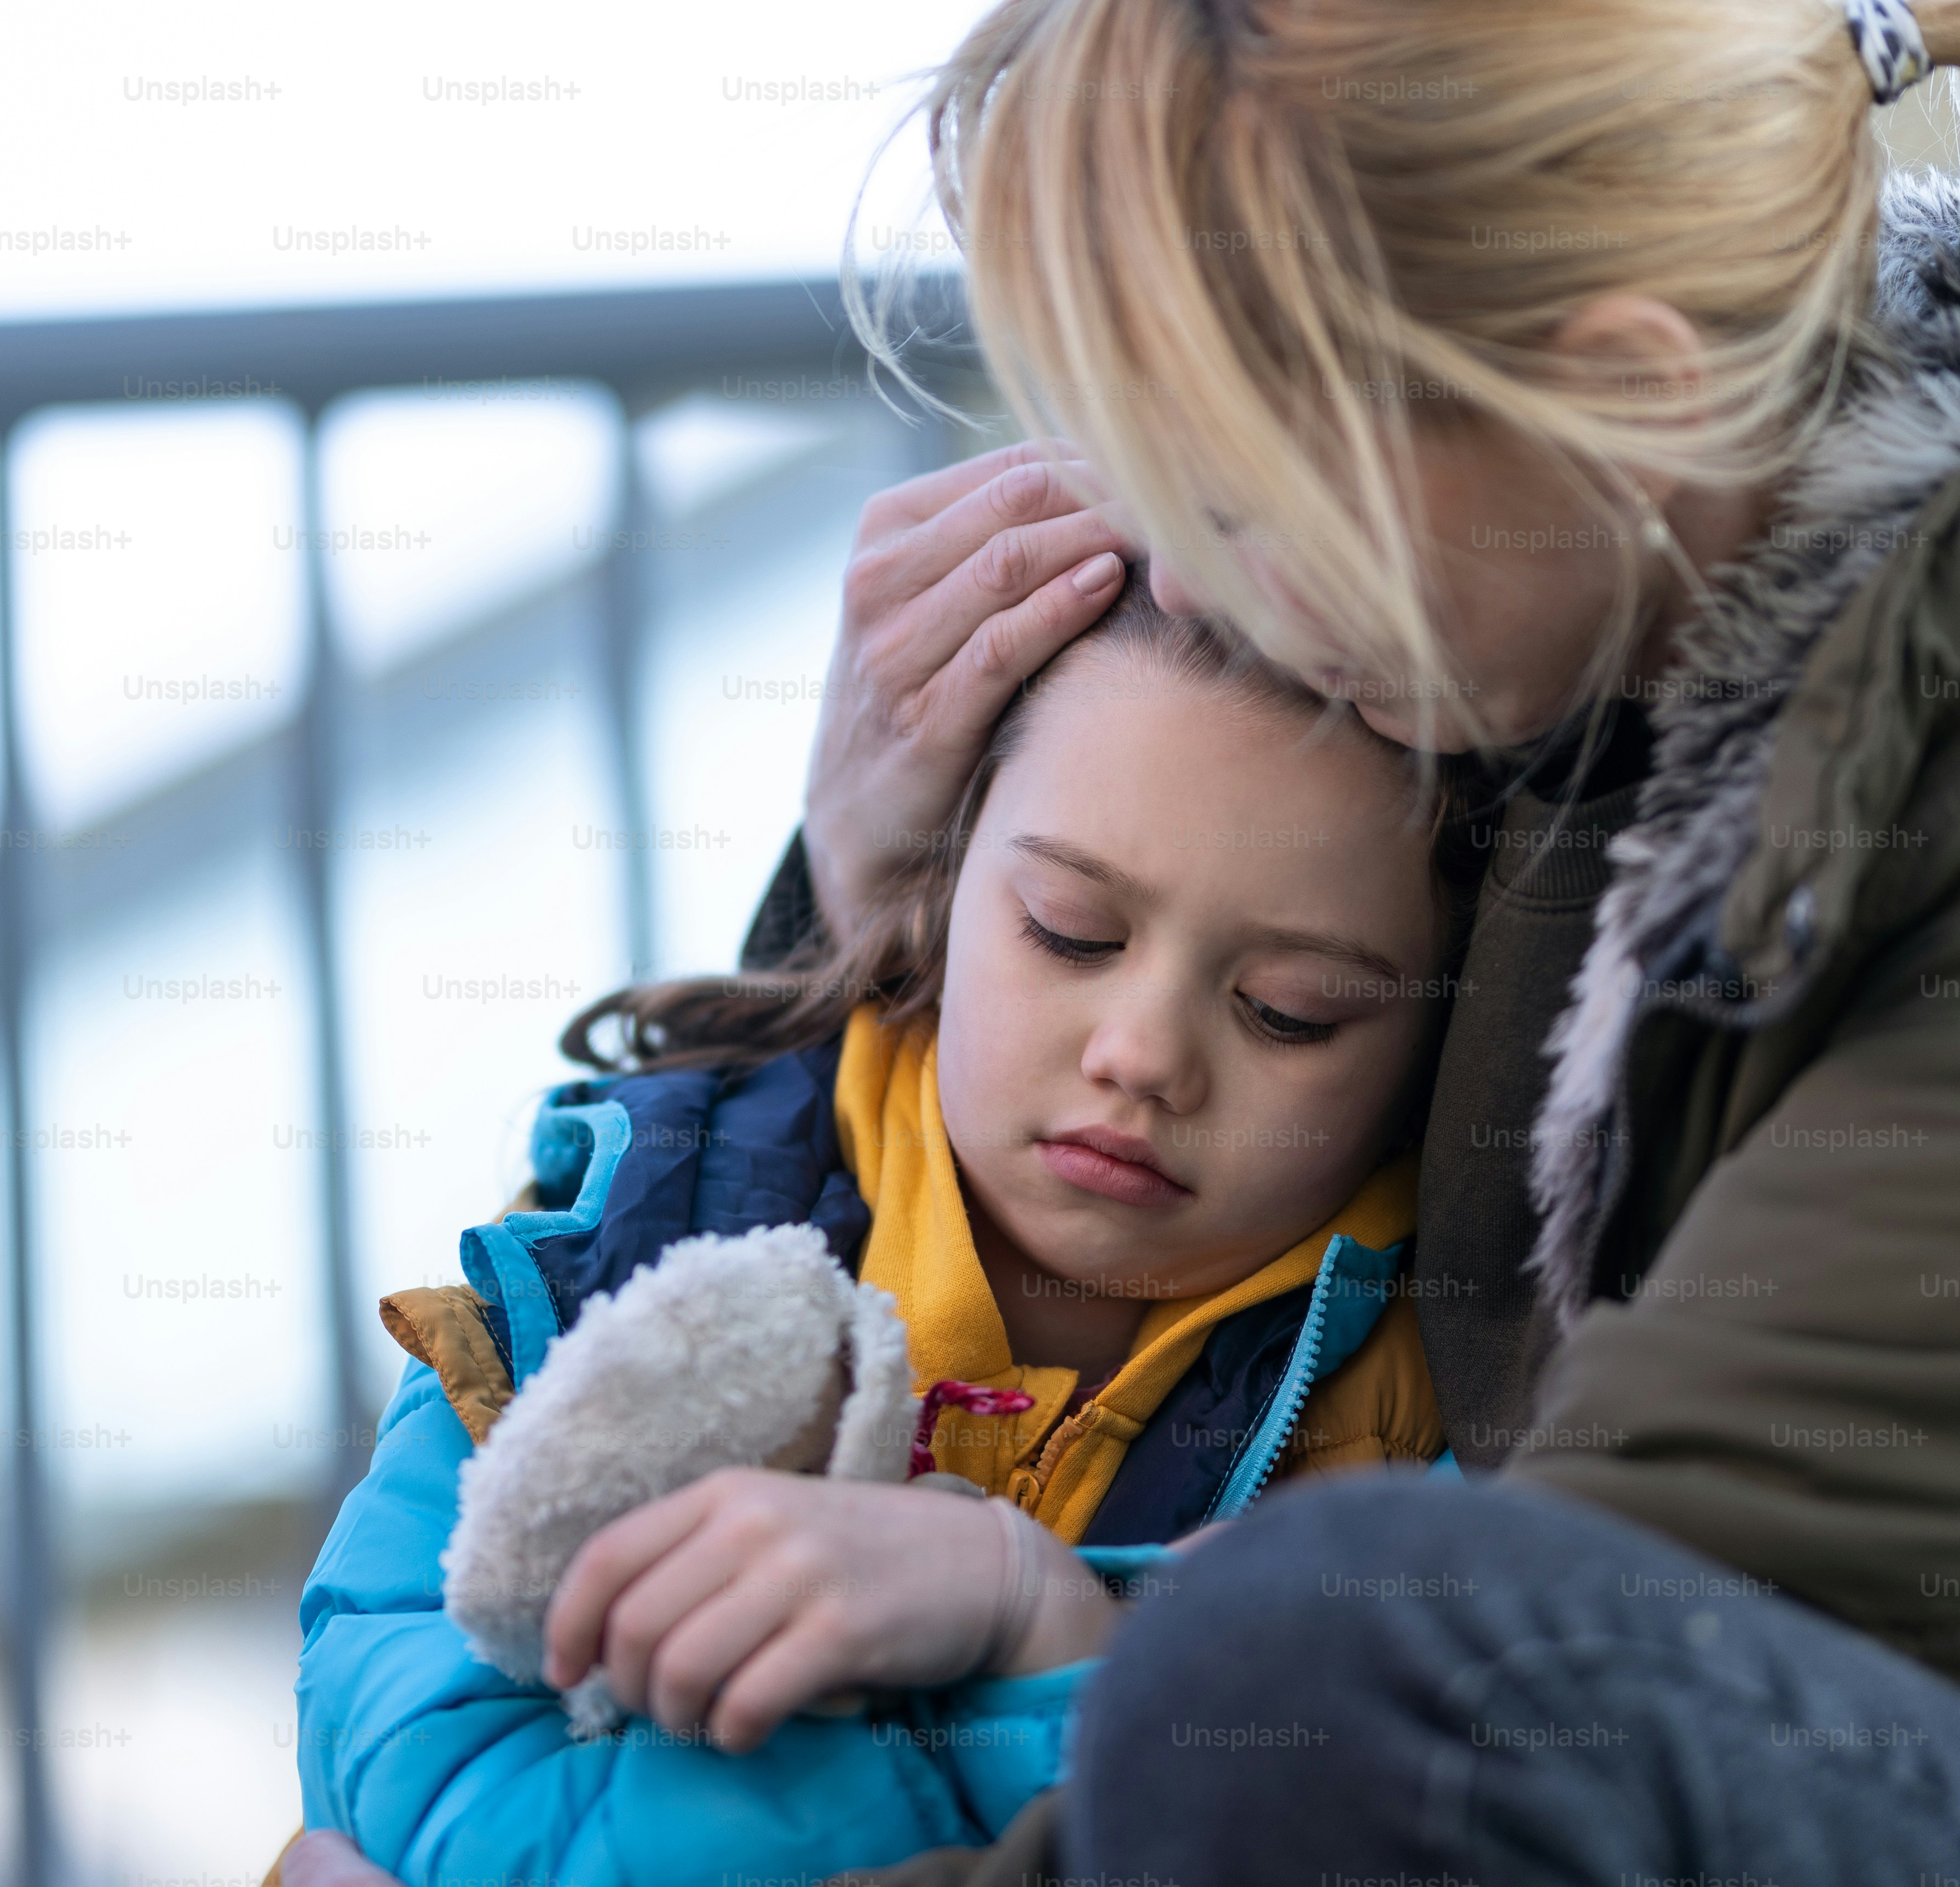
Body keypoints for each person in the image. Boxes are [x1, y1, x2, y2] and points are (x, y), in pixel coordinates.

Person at [286, 0, 1960, 1880]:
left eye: (1240, 495)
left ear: (1621, 390)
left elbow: (1538, 1670)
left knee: (1334, 1655)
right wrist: (866, 885)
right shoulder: (1609, 584)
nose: (1180, 579)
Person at [288, 585, 1461, 1885]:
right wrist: (1033, 1731)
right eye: (1071, 932)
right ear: (941, 893)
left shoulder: (1450, 1427)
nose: (1141, 1056)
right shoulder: (619, 1246)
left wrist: (1035, 1616)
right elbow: (418, 1773)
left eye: (1289, 1012)